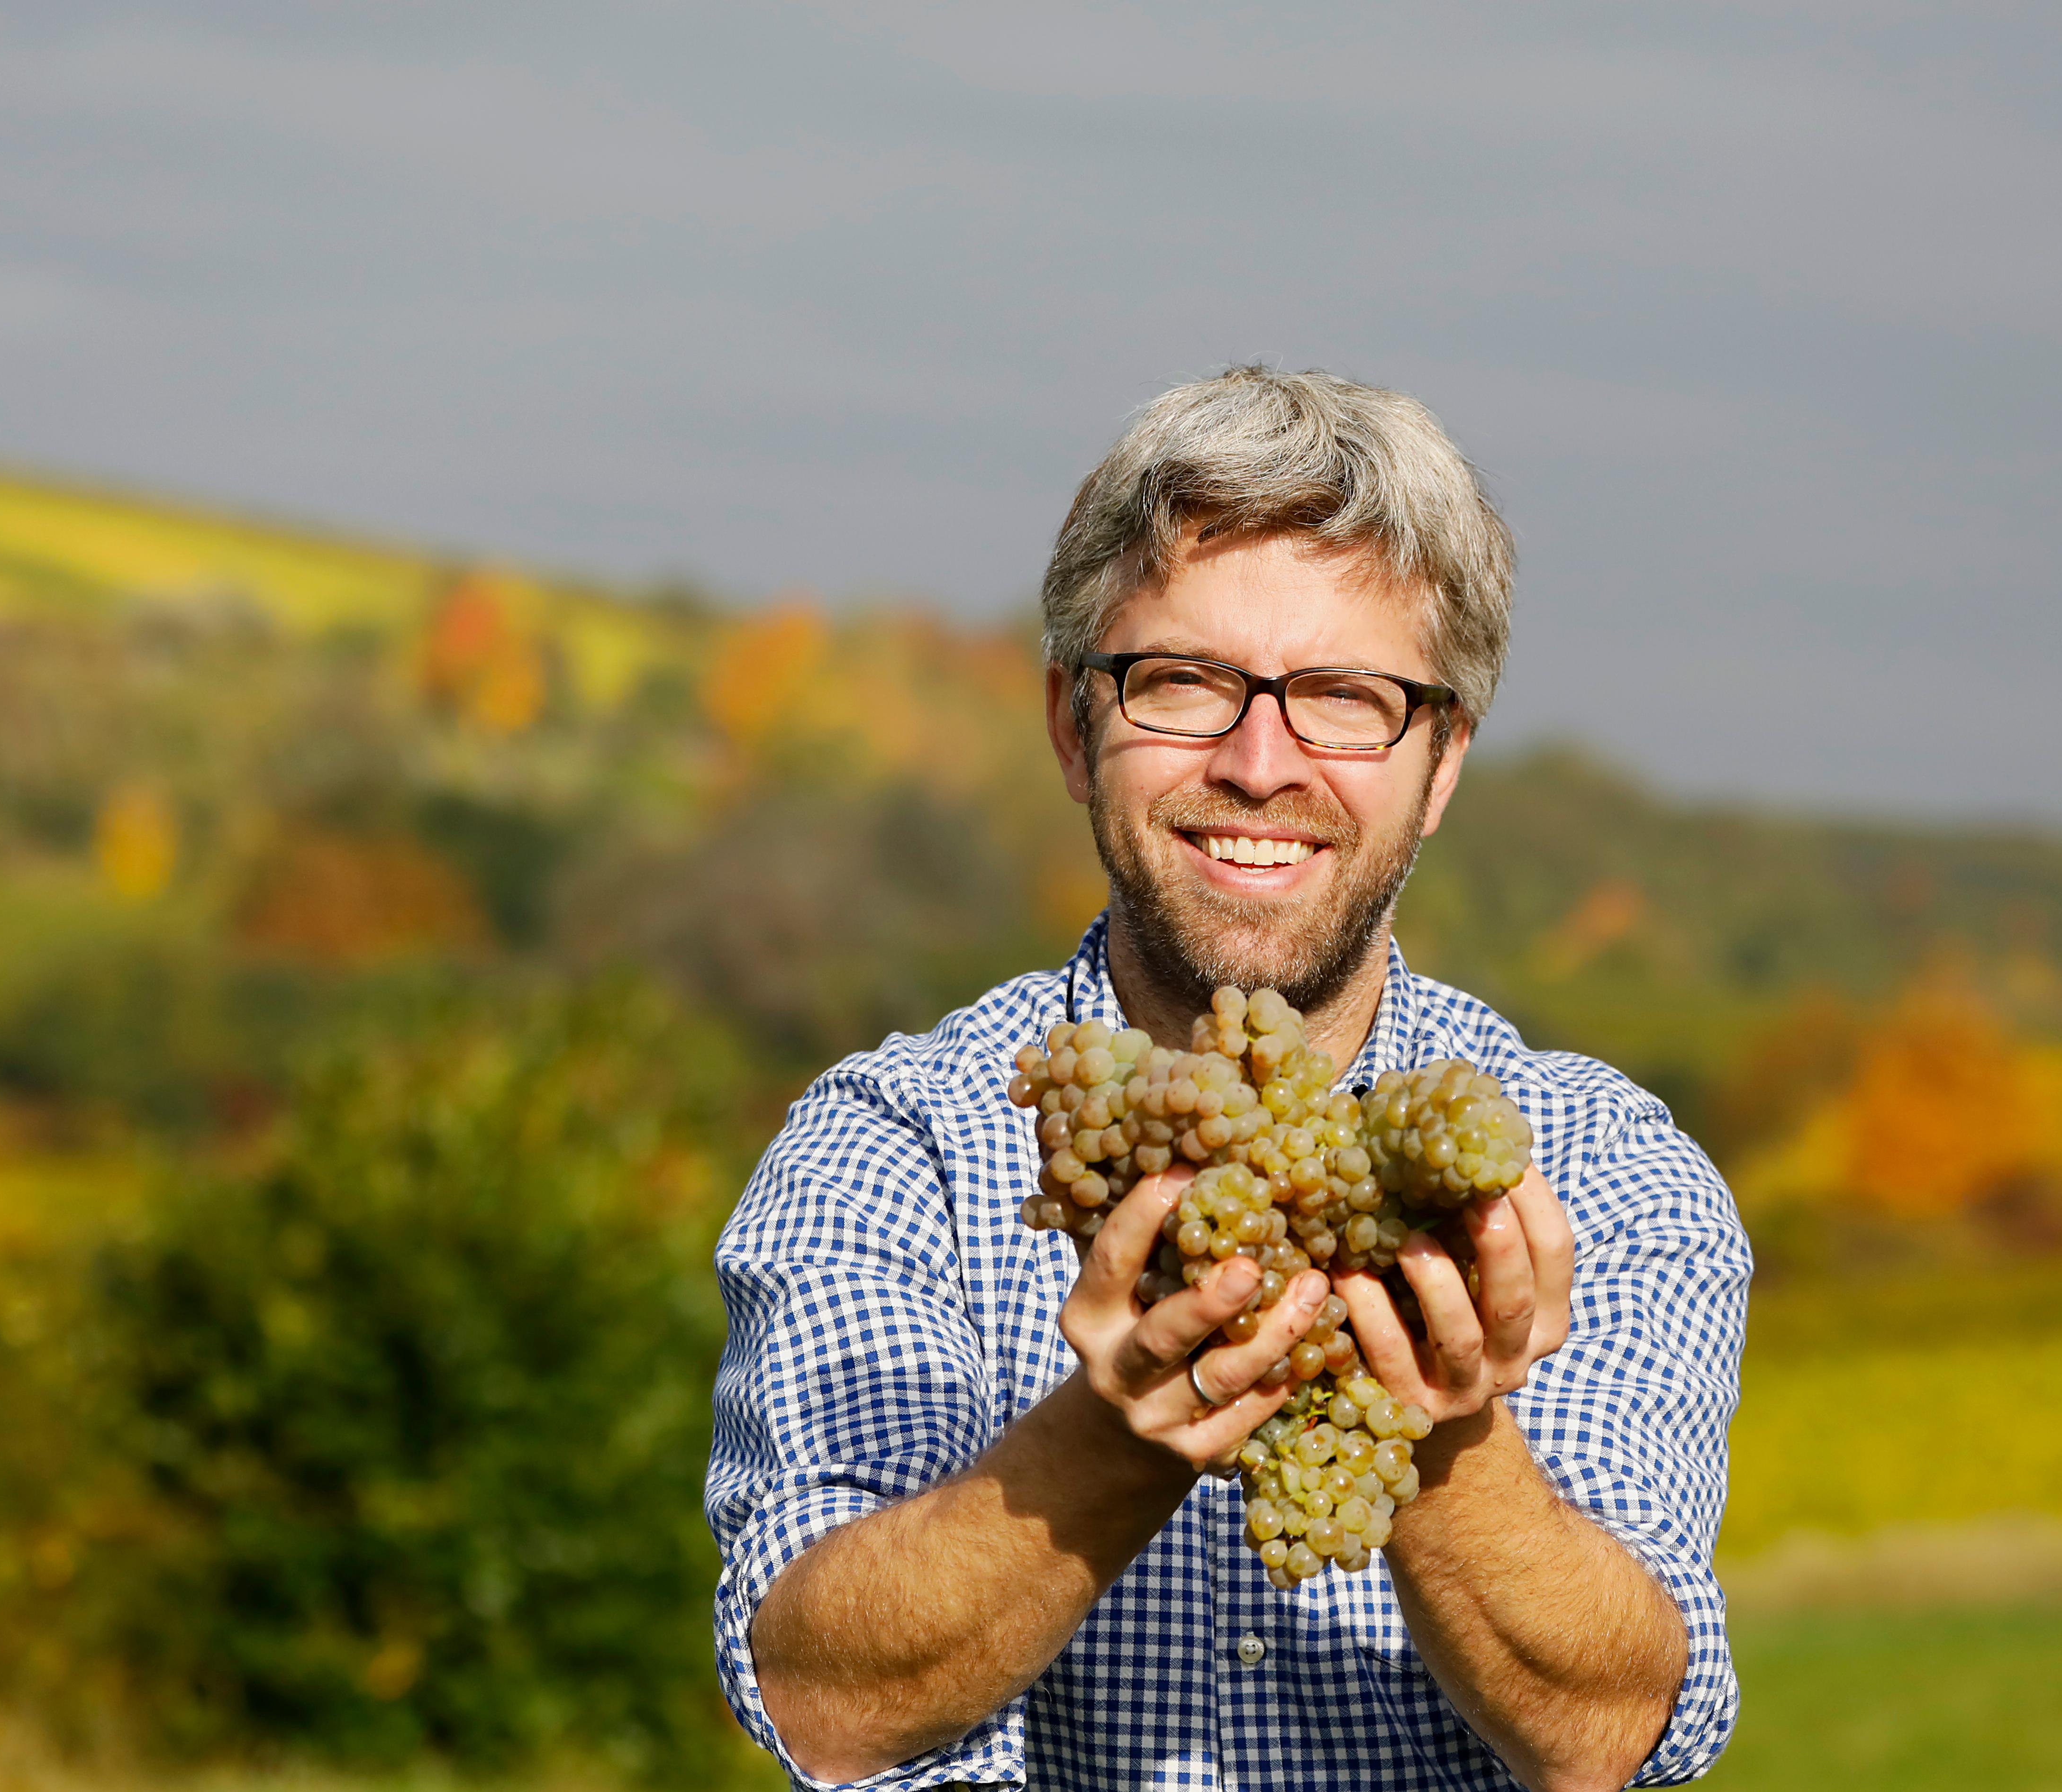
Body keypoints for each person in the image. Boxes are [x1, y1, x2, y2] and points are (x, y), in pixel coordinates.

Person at [706, 367, 1751, 1791]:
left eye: (1344, 698)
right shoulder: (895, 1146)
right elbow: (820, 1695)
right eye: (1186, 682)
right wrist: (1110, 1442)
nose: (1262, 764)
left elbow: (1612, 1730)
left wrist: (1445, 1434)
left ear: (1440, 765)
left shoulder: (1606, 1172)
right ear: (1077, 729)